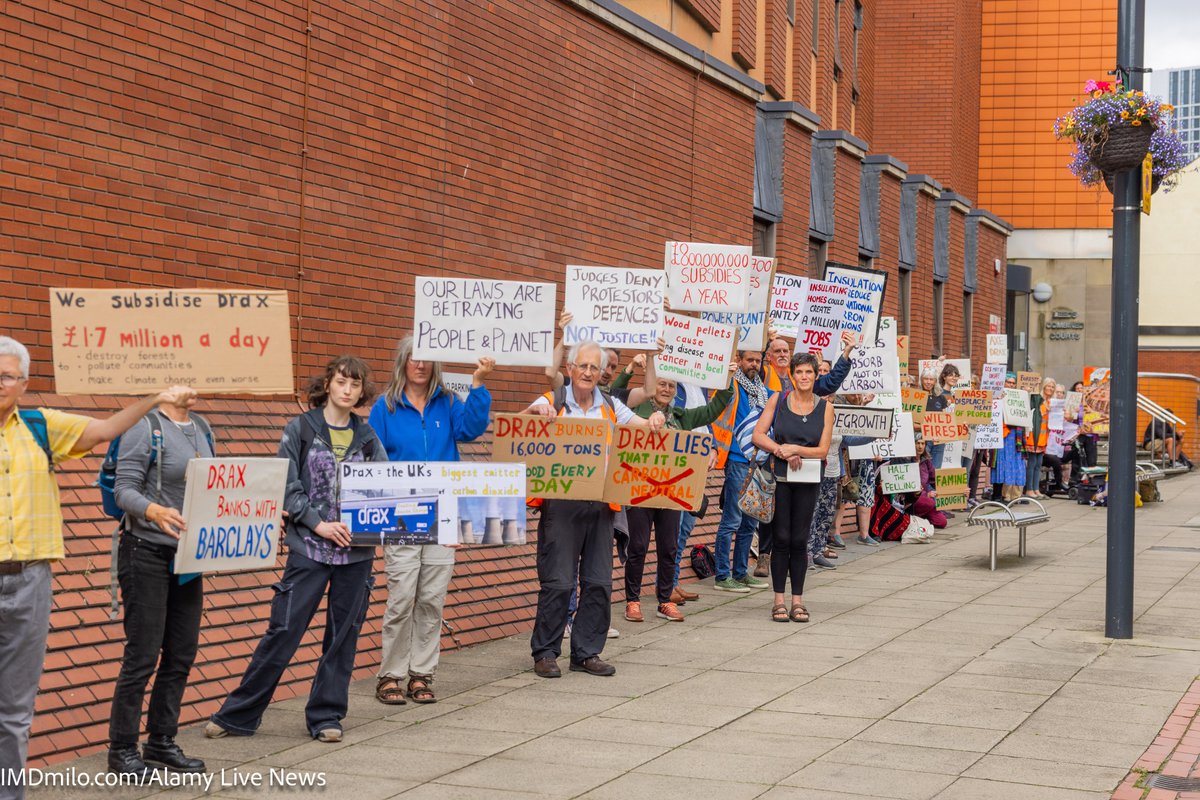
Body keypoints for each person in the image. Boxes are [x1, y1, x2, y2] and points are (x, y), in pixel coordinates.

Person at [0, 336, 195, 800]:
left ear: (24, 384)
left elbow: (105, 430)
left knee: (13, 709)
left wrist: (155, 398)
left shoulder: (39, 425)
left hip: (28, 578)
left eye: (7, 375)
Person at [206, 357, 384, 743]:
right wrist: (317, 522)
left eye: (355, 385)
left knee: (343, 636)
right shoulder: (300, 429)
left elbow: (383, 489)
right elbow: (286, 483)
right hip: (309, 548)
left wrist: (372, 524)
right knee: (284, 629)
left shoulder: (368, 437)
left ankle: (326, 716)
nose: (348, 390)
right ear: (328, 385)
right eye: (341, 382)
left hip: (356, 554)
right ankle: (239, 715)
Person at [521, 342, 665, 679]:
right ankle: (545, 652)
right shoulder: (553, 400)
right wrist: (535, 415)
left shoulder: (611, 406)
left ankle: (586, 652)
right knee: (557, 582)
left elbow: (644, 426)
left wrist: (655, 417)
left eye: (593, 368)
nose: (587, 373)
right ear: (570, 368)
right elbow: (517, 424)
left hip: (601, 504)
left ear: (601, 373)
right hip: (562, 503)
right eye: (582, 366)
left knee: (598, 581)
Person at [368, 339, 493, 706]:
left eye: (426, 358)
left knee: (432, 599)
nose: (419, 364)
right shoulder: (385, 407)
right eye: (412, 357)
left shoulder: (449, 403)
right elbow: (373, 458)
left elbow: (472, 429)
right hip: (402, 514)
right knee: (402, 597)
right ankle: (390, 675)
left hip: (444, 512)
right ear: (402, 362)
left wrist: (479, 383)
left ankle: (421, 675)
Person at [108, 392, 217, 778]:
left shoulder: (202, 428)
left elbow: (216, 490)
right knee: (142, 654)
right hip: (146, 552)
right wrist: (154, 510)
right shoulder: (145, 426)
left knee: (181, 653)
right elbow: (124, 491)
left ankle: (161, 741)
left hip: (188, 558)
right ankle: (122, 749)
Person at [623, 371, 733, 624]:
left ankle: (664, 601)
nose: (667, 389)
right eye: (662, 384)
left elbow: (712, 411)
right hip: (640, 491)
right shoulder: (635, 411)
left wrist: (726, 382)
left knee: (669, 548)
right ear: (652, 386)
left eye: (671, 386)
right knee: (638, 547)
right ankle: (633, 600)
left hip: (671, 492)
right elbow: (614, 395)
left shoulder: (681, 416)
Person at [753, 331, 856, 578]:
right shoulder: (765, 378)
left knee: (797, 531)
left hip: (805, 468)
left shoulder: (805, 385)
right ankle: (765, 556)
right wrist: (782, 451)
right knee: (771, 518)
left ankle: (795, 571)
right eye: (775, 351)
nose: (781, 355)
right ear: (769, 356)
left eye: (784, 351)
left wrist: (845, 354)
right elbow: (749, 366)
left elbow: (828, 384)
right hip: (772, 460)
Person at [751, 353, 834, 623]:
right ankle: (778, 601)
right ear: (792, 375)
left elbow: (822, 450)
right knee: (781, 538)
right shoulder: (778, 400)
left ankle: (797, 600)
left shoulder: (826, 408)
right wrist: (781, 450)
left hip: (809, 480)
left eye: (809, 372)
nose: (804, 377)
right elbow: (758, 435)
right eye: (799, 372)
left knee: (800, 540)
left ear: (816, 375)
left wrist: (797, 449)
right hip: (781, 479)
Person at [708, 350, 772, 593]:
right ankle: (722, 576)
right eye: (750, 360)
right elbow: (714, 415)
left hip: (759, 461)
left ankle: (741, 572)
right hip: (736, 459)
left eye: (758, 360)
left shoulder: (762, 389)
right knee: (732, 520)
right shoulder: (730, 384)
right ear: (740, 359)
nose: (754, 364)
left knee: (749, 522)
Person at [991, 373, 1027, 502]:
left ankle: (1012, 495)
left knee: (1014, 464)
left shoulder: (1018, 398)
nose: (1011, 385)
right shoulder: (997, 397)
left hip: (1015, 436)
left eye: (1013, 383)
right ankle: (997, 494)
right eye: (1008, 382)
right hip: (1002, 435)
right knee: (1001, 464)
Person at [1024, 378, 1055, 498]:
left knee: (1038, 464)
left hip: (1044, 437)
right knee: (1031, 463)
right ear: (1044, 386)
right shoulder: (1038, 399)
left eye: (1053, 387)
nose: (1050, 389)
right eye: (1049, 386)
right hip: (1034, 436)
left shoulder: (1052, 402)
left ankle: (1036, 489)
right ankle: (1029, 489)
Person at [909, 435, 948, 528]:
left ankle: (921, 518)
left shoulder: (926, 461)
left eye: (923, 443)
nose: (920, 446)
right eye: (917, 443)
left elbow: (935, 481)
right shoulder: (906, 460)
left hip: (925, 500)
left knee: (942, 522)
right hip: (911, 500)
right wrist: (926, 495)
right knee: (930, 502)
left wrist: (957, 491)